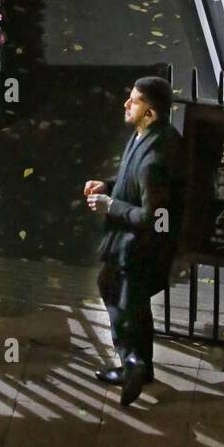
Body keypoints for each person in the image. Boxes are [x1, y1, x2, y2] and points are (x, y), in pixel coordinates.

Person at [84, 76, 185, 406]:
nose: (126, 105)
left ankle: (133, 365)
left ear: (150, 113)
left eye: (135, 102)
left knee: (124, 302)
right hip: (131, 245)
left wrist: (110, 206)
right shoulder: (146, 135)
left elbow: (153, 215)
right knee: (131, 304)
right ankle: (140, 366)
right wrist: (108, 185)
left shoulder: (155, 158)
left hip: (140, 248)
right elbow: (129, 179)